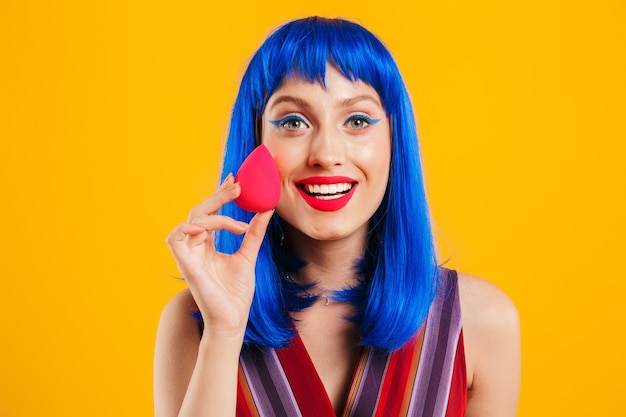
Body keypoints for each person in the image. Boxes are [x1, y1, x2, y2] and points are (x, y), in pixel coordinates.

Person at [154, 16, 520, 417]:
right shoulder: (193, 322)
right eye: (293, 122)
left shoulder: (483, 322)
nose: (326, 153)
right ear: (256, 141)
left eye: (357, 121)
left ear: (393, 142)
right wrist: (223, 333)